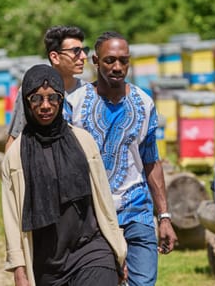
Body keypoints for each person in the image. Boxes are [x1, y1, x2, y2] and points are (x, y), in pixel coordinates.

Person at [66, 31, 177, 286]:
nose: (117, 67)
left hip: (137, 211)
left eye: (123, 61)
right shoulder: (74, 106)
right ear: (95, 61)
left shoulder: (144, 103)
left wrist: (164, 217)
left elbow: (151, 160)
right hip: (92, 218)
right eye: (109, 60)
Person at [2, 64, 127, 286]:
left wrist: (117, 249)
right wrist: (18, 268)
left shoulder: (83, 141)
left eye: (52, 98)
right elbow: (11, 217)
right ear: (26, 102)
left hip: (91, 250)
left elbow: (103, 200)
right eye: (36, 99)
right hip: (46, 263)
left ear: (61, 100)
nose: (45, 106)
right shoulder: (15, 155)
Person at [5, 25, 90, 151]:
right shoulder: (30, 91)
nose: (83, 56)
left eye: (84, 50)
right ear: (55, 57)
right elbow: (14, 138)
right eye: (76, 51)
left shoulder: (88, 92)